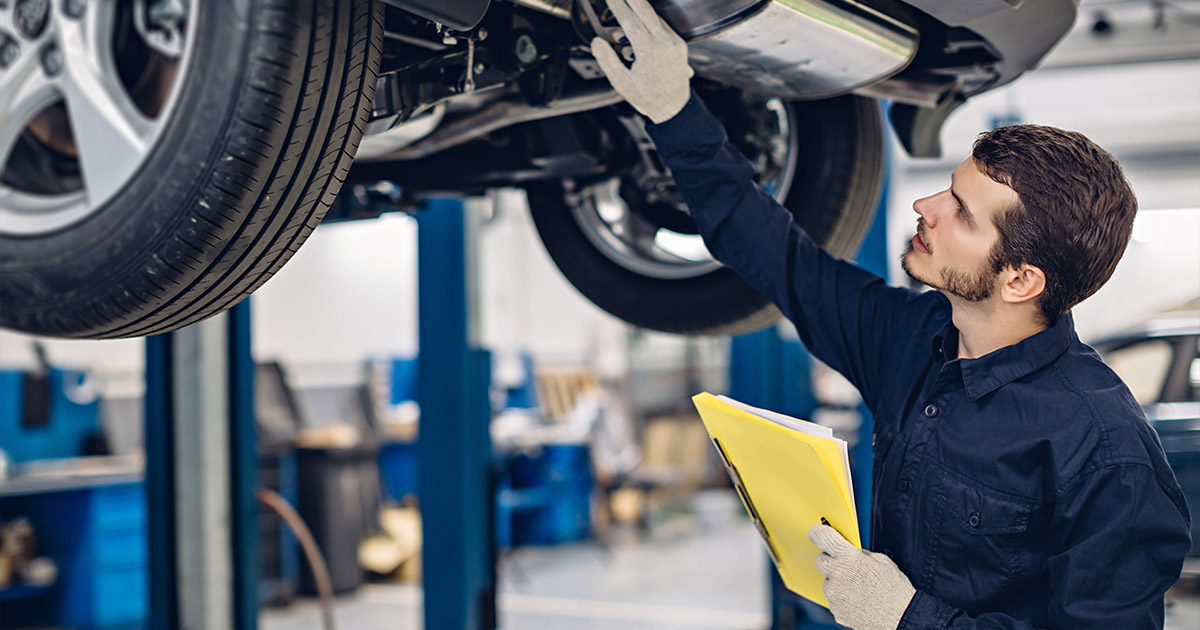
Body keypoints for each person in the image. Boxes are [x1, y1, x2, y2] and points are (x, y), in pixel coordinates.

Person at [588, 1, 1193, 628]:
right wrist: (675, 114)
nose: (926, 206)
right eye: (947, 187)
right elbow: (778, 257)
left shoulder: (1105, 451)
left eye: (961, 211)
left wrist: (908, 617)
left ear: (1020, 280)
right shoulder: (913, 338)